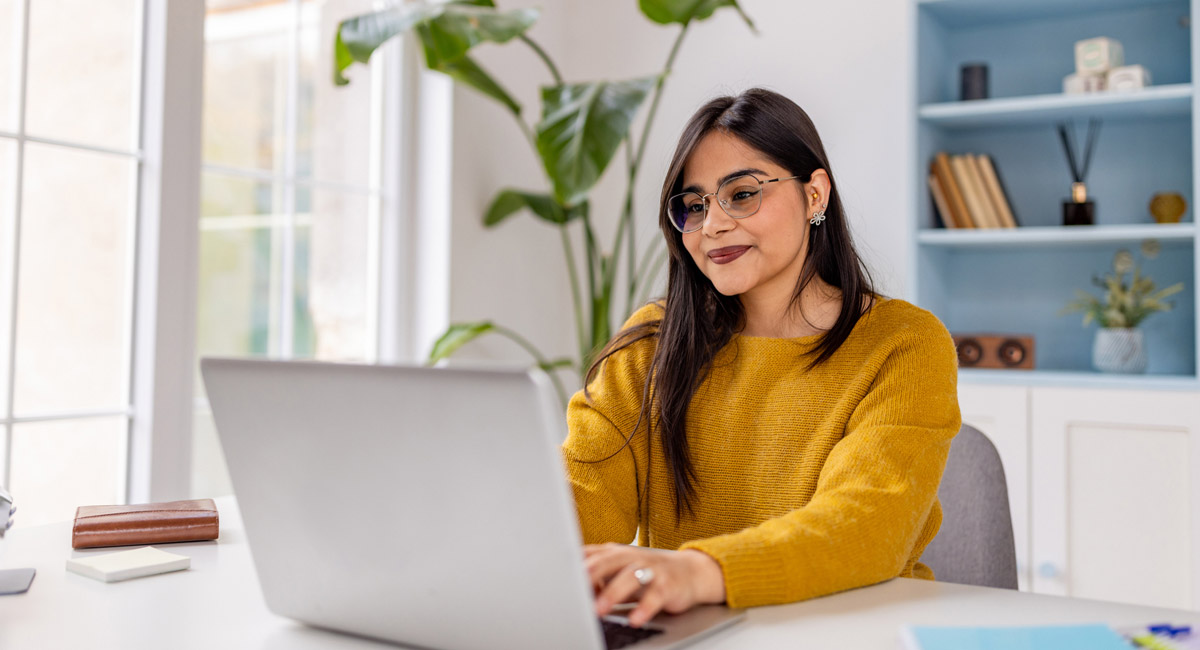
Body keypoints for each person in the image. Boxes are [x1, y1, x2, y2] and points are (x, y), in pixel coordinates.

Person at [562, 88, 961, 628]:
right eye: (695, 205)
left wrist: (701, 572)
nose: (713, 225)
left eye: (742, 194)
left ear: (815, 195)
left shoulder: (903, 343)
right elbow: (583, 497)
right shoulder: (651, 344)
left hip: (858, 630)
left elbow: (865, 524)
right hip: (700, 633)